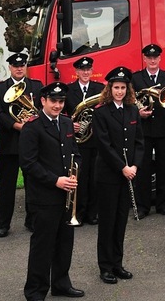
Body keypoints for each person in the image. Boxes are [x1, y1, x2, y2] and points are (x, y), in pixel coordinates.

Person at [18, 82, 84, 300]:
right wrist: (56, 180)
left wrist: (75, 173)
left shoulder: (66, 123)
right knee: (42, 246)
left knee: (65, 244)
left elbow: (76, 153)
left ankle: (61, 284)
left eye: (61, 101)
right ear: (43, 101)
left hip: (66, 194)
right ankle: (35, 290)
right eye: (53, 101)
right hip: (45, 196)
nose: (57, 105)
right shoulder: (32, 126)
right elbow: (28, 163)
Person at [92, 66, 142, 284]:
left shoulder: (132, 111)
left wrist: (135, 166)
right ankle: (105, 266)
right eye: (116, 87)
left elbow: (140, 142)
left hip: (128, 174)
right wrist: (122, 167)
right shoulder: (101, 112)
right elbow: (103, 145)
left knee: (121, 220)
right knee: (108, 222)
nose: (120, 91)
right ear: (109, 88)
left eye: (123, 88)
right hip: (109, 175)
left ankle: (117, 263)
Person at [0, 52, 43, 238]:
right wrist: (17, 125)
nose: (19, 68)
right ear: (10, 68)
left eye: (22, 65)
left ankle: (32, 221)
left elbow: (43, 110)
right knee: (6, 187)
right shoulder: (0, 88)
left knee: (34, 185)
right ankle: (3, 224)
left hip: (32, 145)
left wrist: (32, 123)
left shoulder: (36, 86)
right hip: (10, 144)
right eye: (15, 65)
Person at [131, 44, 165, 218]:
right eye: (149, 57)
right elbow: (131, 102)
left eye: (155, 57)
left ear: (159, 59)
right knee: (142, 169)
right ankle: (143, 206)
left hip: (163, 129)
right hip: (143, 130)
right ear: (144, 59)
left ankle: (163, 204)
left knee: (164, 167)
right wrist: (139, 112)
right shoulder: (136, 78)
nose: (152, 60)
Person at [64, 56, 105, 225]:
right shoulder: (68, 89)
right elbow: (62, 113)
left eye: (88, 69)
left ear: (92, 70)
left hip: (95, 140)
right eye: (82, 70)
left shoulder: (100, 88)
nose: (86, 72)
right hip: (78, 142)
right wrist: (70, 125)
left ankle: (93, 213)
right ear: (77, 72)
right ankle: (79, 213)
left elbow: (104, 112)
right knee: (80, 177)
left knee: (94, 177)